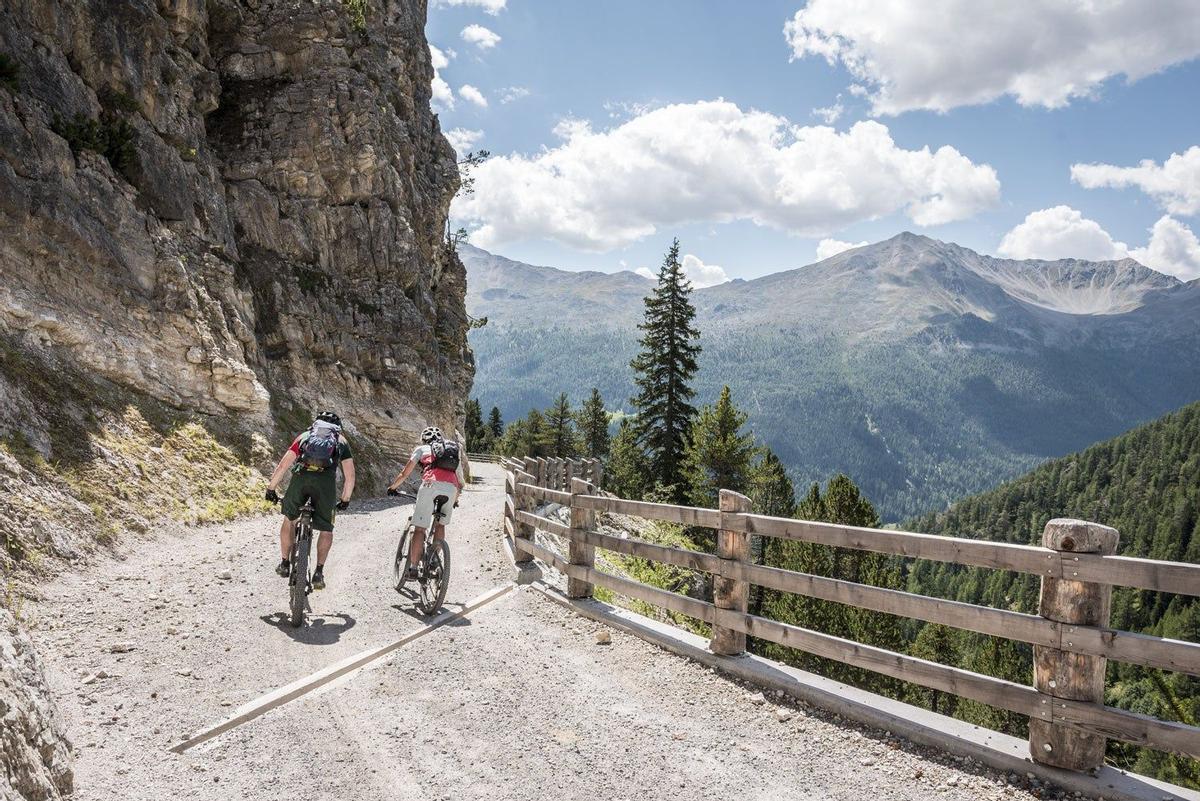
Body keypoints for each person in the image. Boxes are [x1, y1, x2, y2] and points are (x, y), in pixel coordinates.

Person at [264, 411, 355, 590]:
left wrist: (271, 488)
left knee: (290, 519)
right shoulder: (341, 441)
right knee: (327, 529)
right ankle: (319, 572)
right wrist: (345, 499)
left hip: (301, 480)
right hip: (325, 486)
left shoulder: (305, 436)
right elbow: (350, 476)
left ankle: (284, 563)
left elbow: (284, 465)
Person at [386, 426, 463, 579]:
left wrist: (392, 487)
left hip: (430, 485)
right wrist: (455, 499)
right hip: (451, 488)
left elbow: (405, 473)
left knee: (420, 529)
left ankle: (413, 569)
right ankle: (434, 558)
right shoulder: (452, 451)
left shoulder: (421, 449)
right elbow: (459, 480)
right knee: (440, 524)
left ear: (424, 439)